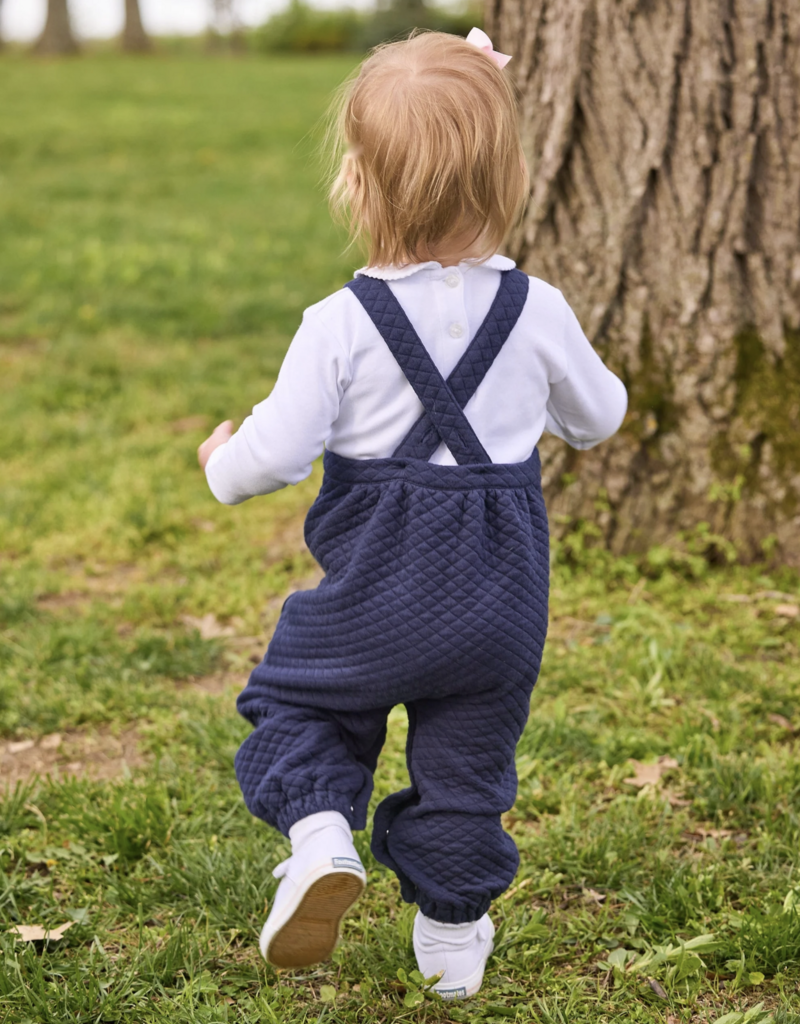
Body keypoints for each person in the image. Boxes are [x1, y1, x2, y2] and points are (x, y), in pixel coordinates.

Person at [197, 27, 627, 1000]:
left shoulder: (338, 325)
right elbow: (598, 418)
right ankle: (451, 936)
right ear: (508, 176)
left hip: (375, 598)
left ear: (359, 183)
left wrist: (221, 464)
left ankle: (319, 838)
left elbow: (274, 455)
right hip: (498, 609)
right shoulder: (538, 311)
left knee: (298, 705)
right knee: (468, 767)